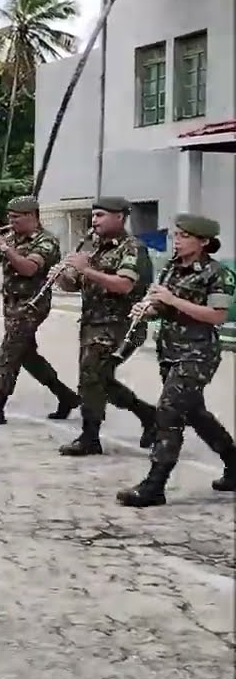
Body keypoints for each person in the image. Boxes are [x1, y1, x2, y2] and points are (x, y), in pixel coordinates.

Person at [117, 214, 236, 506]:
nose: (177, 241)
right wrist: (150, 309)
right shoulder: (172, 268)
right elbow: (165, 307)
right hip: (169, 351)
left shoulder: (216, 274)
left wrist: (171, 300)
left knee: (168, 412)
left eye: (184, 236)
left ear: (204, 242)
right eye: (177, 235)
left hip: (197, 354)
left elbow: (216, 316)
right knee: (195, 414)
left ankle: (154, 485)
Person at [53, 196, 157, 456]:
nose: (94, 220)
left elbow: (124, 285)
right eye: (94, 215)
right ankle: (148, 415)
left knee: (92, 379)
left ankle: (90, 436)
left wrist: (86, 269)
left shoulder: (132, 248)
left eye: (100, 215)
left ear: (119, 217)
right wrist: (62, 276)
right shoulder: (97, 248)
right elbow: (76, 285)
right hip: (93, 324)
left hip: (120, 325)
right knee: (100, 379)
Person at [0, 196, 80, 427]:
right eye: (10, 217)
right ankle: (66, 396)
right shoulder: (13, 237)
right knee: (27, 356)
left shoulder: (46, 241)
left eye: (16, 217)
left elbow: (29, 268)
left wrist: (2, 245)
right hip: (11, 303)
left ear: (32, 216)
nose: (11, 221)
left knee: (9, 351)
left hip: (32, 304)